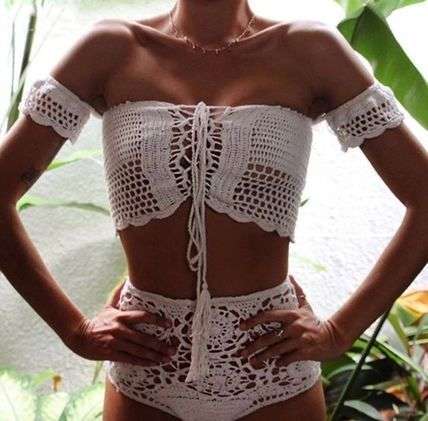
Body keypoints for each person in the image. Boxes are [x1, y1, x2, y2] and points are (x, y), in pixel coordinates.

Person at [1, 0, 427, 420]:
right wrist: (75, 331)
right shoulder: (110, 49)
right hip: (146, 374)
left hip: (273, 375)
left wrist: (339, 332)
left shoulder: (311, 49)